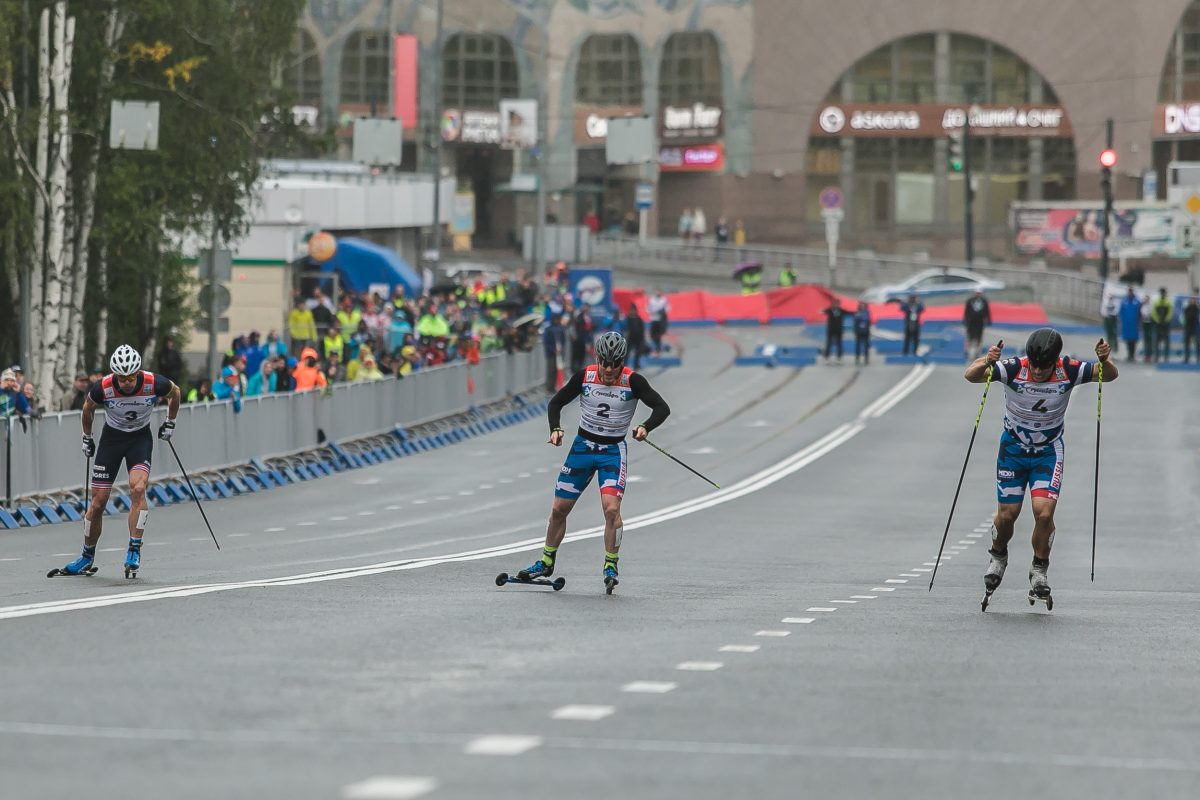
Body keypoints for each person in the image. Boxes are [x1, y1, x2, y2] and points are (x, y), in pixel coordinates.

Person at [965, 329, 1118, 609]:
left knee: (1044, 512)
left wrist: (1104, 360)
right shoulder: (1015, 368)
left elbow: (1107, 375)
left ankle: (1039, 569)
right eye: (1034, 364)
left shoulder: (1068, 369)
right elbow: (971, 376)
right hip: (1013, 450)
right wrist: (987, 360)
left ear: (1055, 361)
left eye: (1043, 366)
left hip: (1048, 452)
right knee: (1007, 515)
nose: (1036, 370)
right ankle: (998, 556)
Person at [511, 332, 671, 592]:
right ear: (597, 359)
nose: (608, 369)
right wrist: (555, 428)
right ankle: (546, 562)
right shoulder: (585, 376)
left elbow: (662, 408)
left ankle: (611, 564)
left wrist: (645, 426)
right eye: (604, 363)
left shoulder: (632, 381)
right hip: (582, 448)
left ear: (621, 362)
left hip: (612, 452)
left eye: (614, 364)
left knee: (611, 509)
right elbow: (556, 402)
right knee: (559, 509)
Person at [56, 345, 181, 578]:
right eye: (122, 378)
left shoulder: (154, 382)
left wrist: (170, 422)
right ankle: (86, 556)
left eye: (131, 377)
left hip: (139, 440)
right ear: (115, 374)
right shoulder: (103, 387)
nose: (126, 382)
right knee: (98, 502)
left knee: (138, 488)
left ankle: (134, 548)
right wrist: (86, 438)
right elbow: (87, 409)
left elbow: (176, 393)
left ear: (138, 372)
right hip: (111, 441)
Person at [962, 289, 992, 362]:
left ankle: (978, 352)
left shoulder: (984, 301)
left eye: (979, 293)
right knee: (969, 337)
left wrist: (988, 319)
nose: (978, 294)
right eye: (977, 293)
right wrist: (965, 320)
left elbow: (987, 311)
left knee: (979, 337)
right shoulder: (970, 300)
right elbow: (966, 311)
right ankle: (967, 351)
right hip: (971, 321)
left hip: (980, 322)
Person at [1151, 288, 1174, 362]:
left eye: (1163, 293)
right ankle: (1157, 356)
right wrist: (1157, 320)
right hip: (1158, 324)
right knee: (1156, 341)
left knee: (1166, 341)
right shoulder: (1156, 301)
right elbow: (1153, 312)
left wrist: (1166, 320)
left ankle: (1166, 356)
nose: (1162, 294)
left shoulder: (1168, 301)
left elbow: (1171, 312)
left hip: (1166, 324)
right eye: (1161, 293)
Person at [1118, 287, 1141, 361]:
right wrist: (1120, 320)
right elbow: (1120, 312)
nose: (1130, 293)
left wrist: (1139, 322)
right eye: (1129, 291)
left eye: (1131, 291)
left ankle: (1133, 355)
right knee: (1127, 340)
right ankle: (1129, 355)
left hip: (1134, 324)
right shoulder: (1124, 301)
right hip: (1126, 324)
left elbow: (1139, 313)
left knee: (1133, 340)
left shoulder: (1137, 302)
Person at [647, 289, 669, 354]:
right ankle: (654, 346)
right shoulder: (651, 300)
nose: (658, 293)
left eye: (659, 292)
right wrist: (652, 312)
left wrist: (663, 311)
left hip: (660, 320)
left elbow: (668, 308)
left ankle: (658, 348)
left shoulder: (664, 300)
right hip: (653, 319)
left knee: (659, 334)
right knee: (652, 334)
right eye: (657, 292)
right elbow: (648, 308)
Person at [625, 303, 646, 370]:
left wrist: (642, 339)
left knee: (638, 352)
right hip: (629, 338)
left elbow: (642, 329)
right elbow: (625, 328)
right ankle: (624, 365)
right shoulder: (627, 318)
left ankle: (636, 365)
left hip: (638, 338)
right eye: (632, 310)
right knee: (626, 352)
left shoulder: (639, 319)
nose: (633, 311)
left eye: (634, 310)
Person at [853, 301, 872, 365]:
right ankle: (857, 358)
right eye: (861, 305)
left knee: (866, 346)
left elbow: (869, 322)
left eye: (864, 305)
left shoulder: (867, 313)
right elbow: (855, 322)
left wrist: (868, 331)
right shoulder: (857, 313)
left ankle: (866, 358)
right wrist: (855, 331)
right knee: (858, 345)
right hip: (859, 331)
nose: (862, 307)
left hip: (865, 331)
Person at [1183, 297, 1200, 362]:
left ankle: (1198, 357)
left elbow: (1196, 317)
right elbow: (1185, 317)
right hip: (1188, 327)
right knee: (1187, 343)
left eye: (1194, 299)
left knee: (1197, 343)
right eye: (1192, 299)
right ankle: (1186, 357)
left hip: (1195, 327)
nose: (1193, 300)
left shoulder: (1197, 308)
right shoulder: (1187, 308)